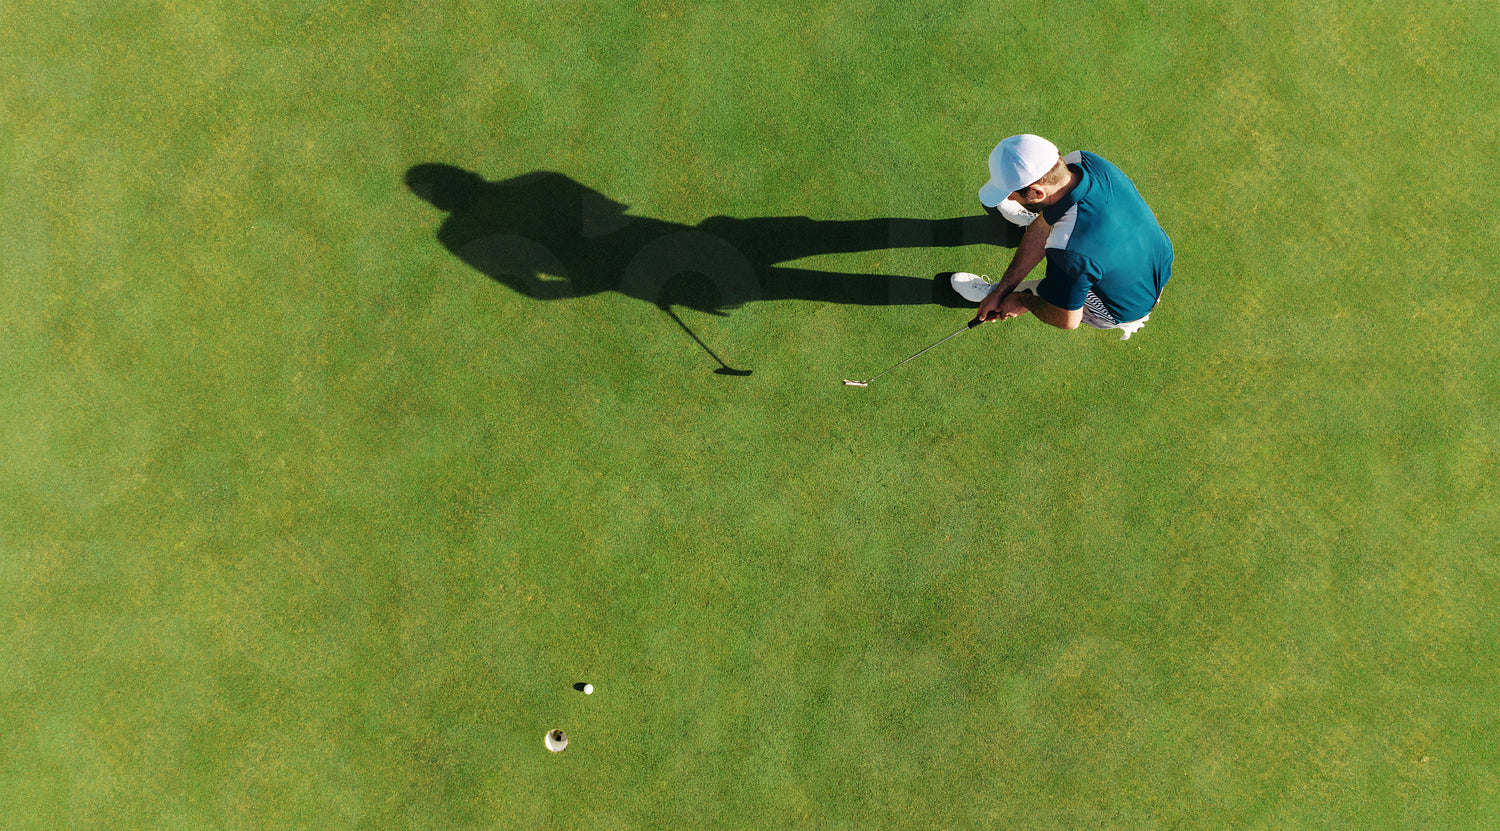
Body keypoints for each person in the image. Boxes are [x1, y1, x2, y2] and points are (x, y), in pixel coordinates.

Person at [950, 134, 1173, 340]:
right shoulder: (1084, 161)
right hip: (1151, 260)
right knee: (1057, 223)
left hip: (1117, 307)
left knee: (1038, 291)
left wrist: (1021, 300)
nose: (1009, 197)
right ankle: (1000, 291)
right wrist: (1003, 291)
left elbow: (1067, 319)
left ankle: (1004, 295)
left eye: (1012, 193)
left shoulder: (1068, 250)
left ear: (1037, 192)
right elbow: (1042, 229)